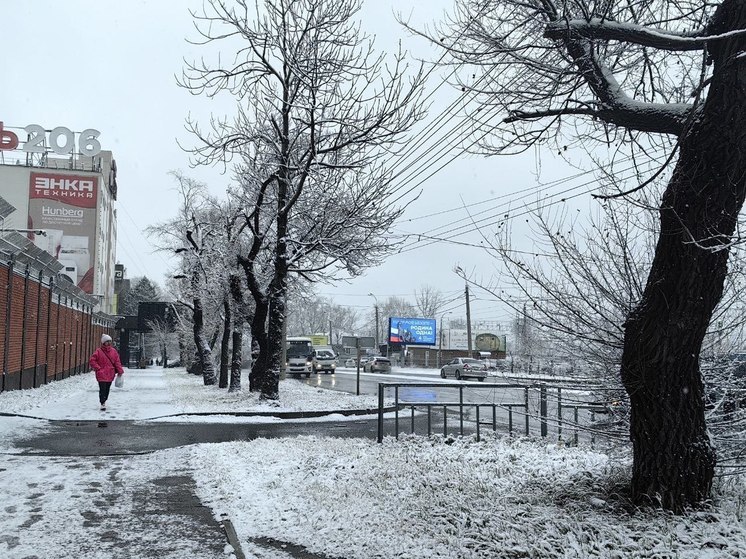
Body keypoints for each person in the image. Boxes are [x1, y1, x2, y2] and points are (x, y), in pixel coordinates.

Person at [89, 334, 124, 411]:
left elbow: (117, 362)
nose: (108, 343)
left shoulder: (113, 351)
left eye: (109, 341)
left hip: (110, 373)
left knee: (107, 389)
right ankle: (102, 402)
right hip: (101, 374)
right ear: (103, 342)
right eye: (107, 341)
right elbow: (92, 360)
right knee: (102, 389)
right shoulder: (98, 351)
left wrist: (120, 370)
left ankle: (104, 400)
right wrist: (98, 368)